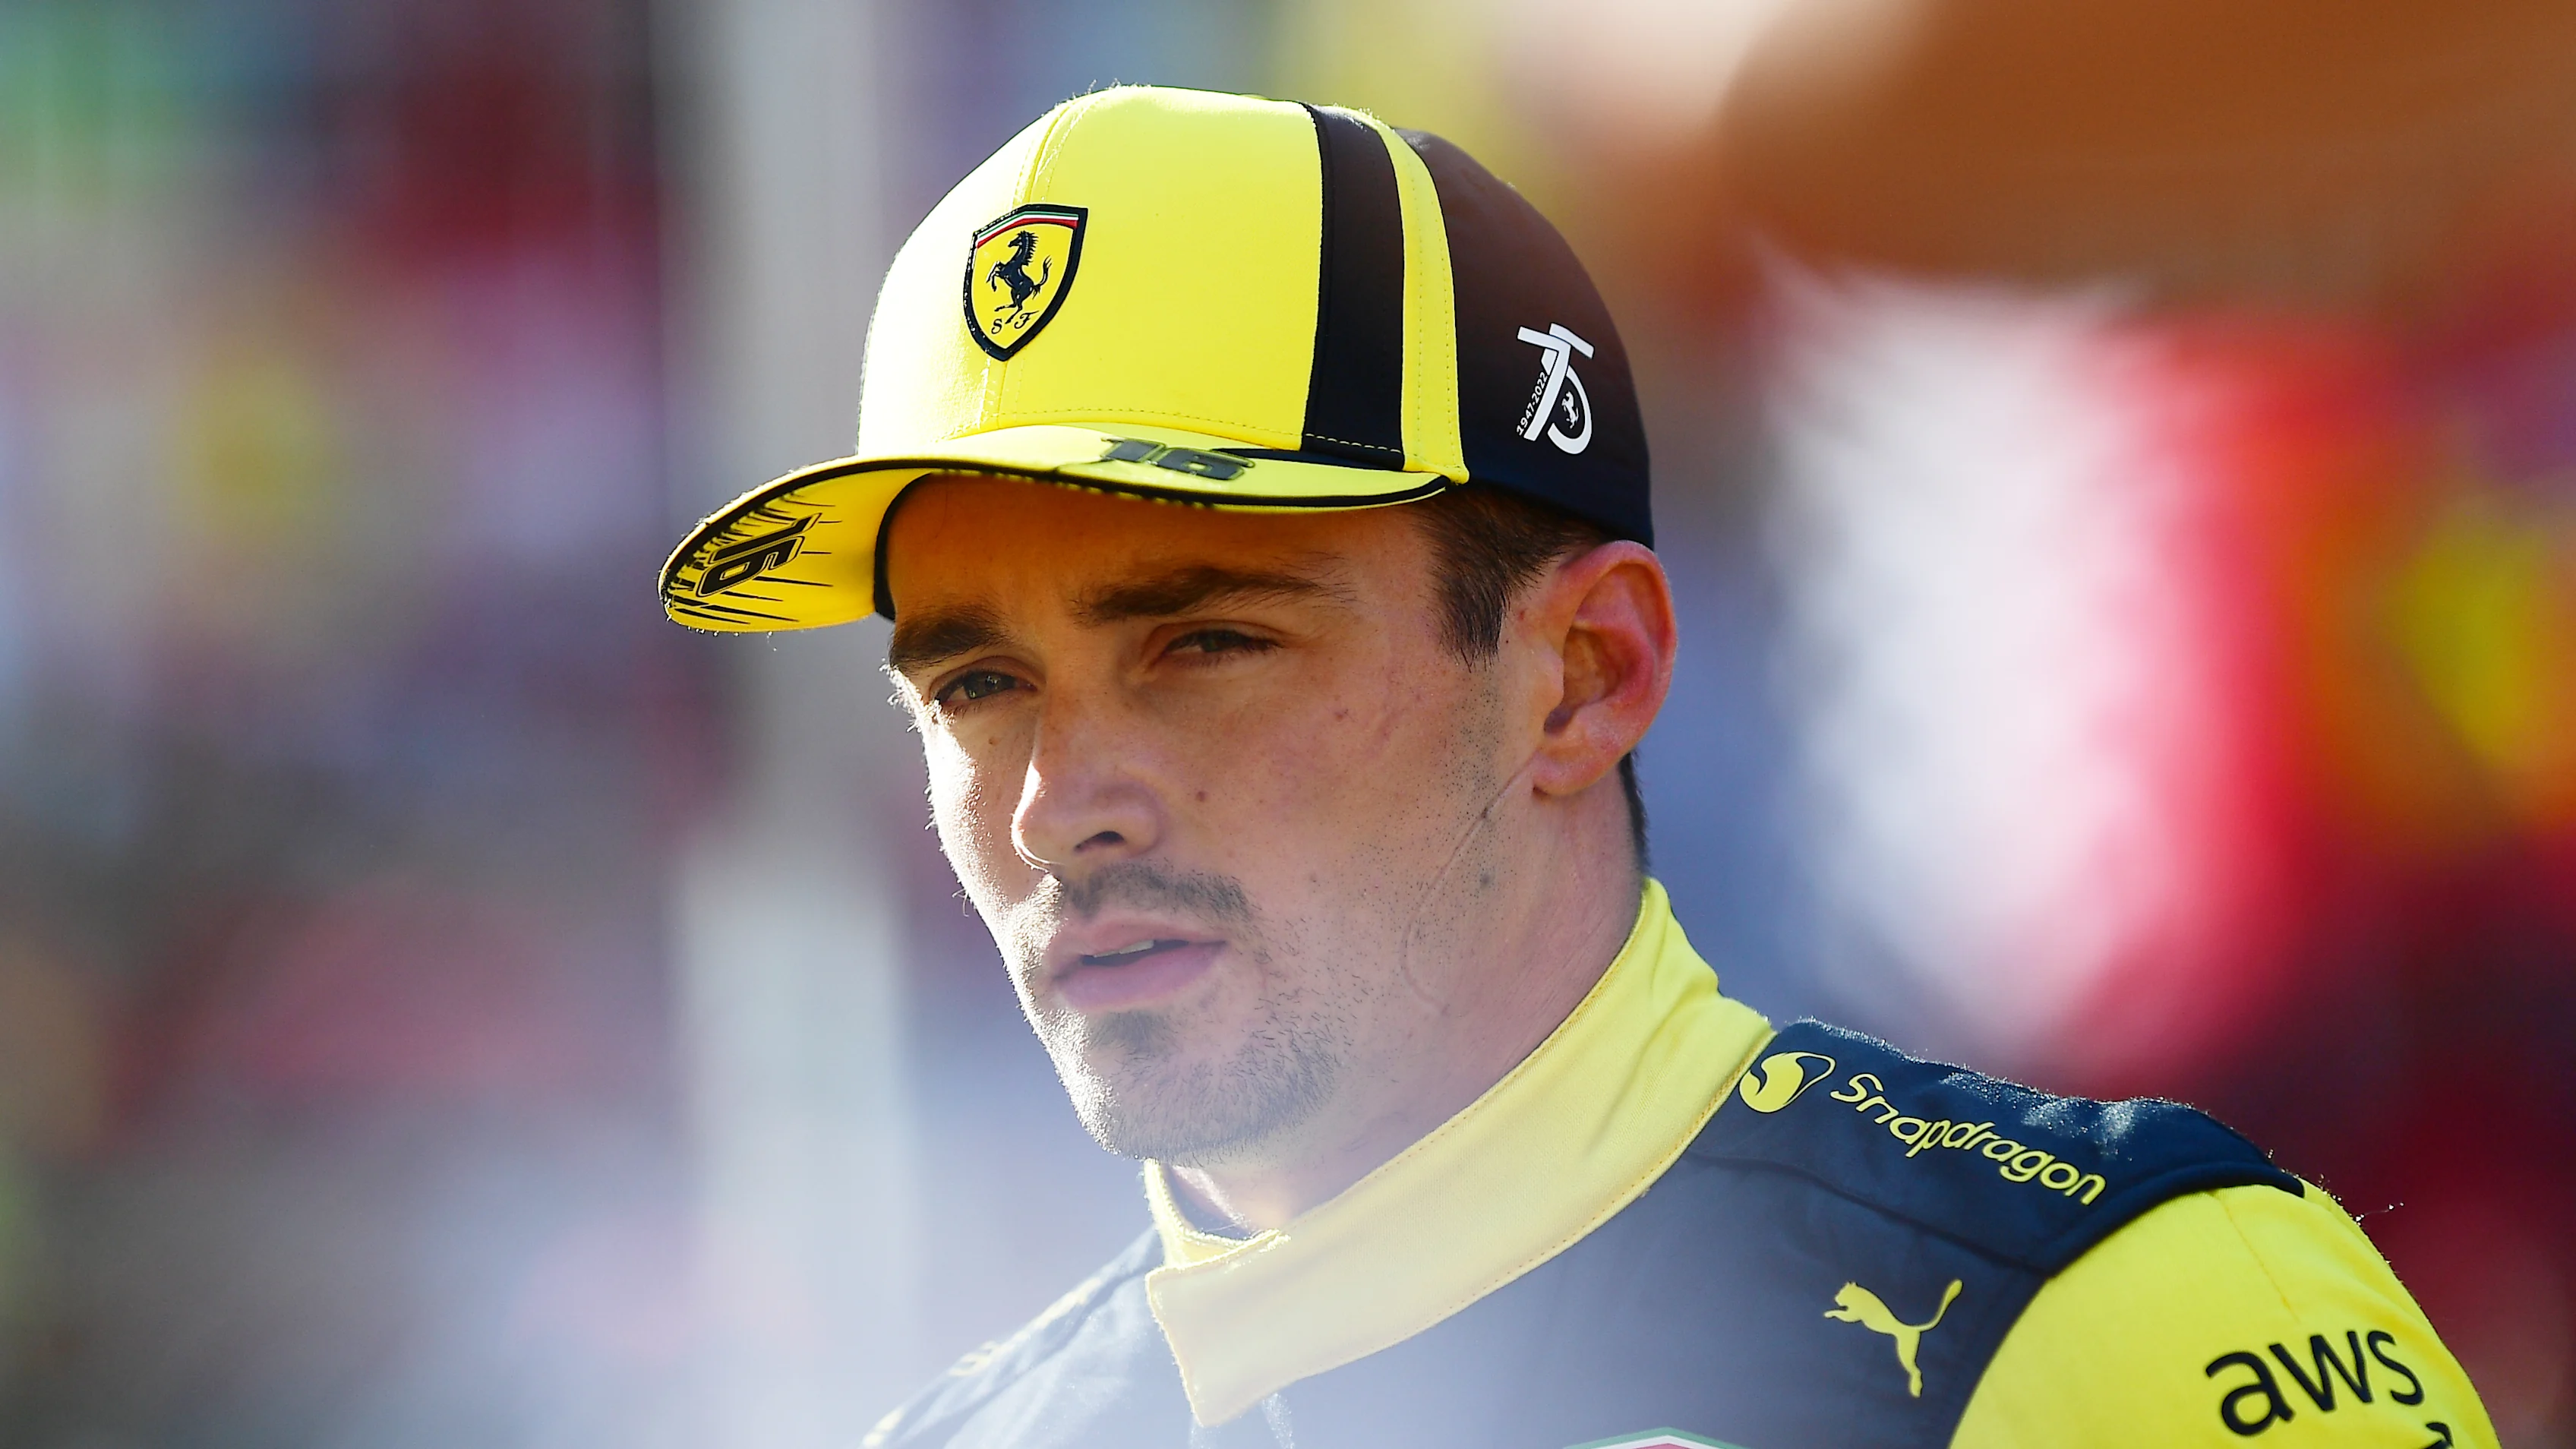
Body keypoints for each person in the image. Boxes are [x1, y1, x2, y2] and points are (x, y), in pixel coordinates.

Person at [660, 85, 2492, 1449]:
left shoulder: (2120, 1323)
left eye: (1206, 645)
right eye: (975, 687)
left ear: (1583, 675)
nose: (1063, 800)